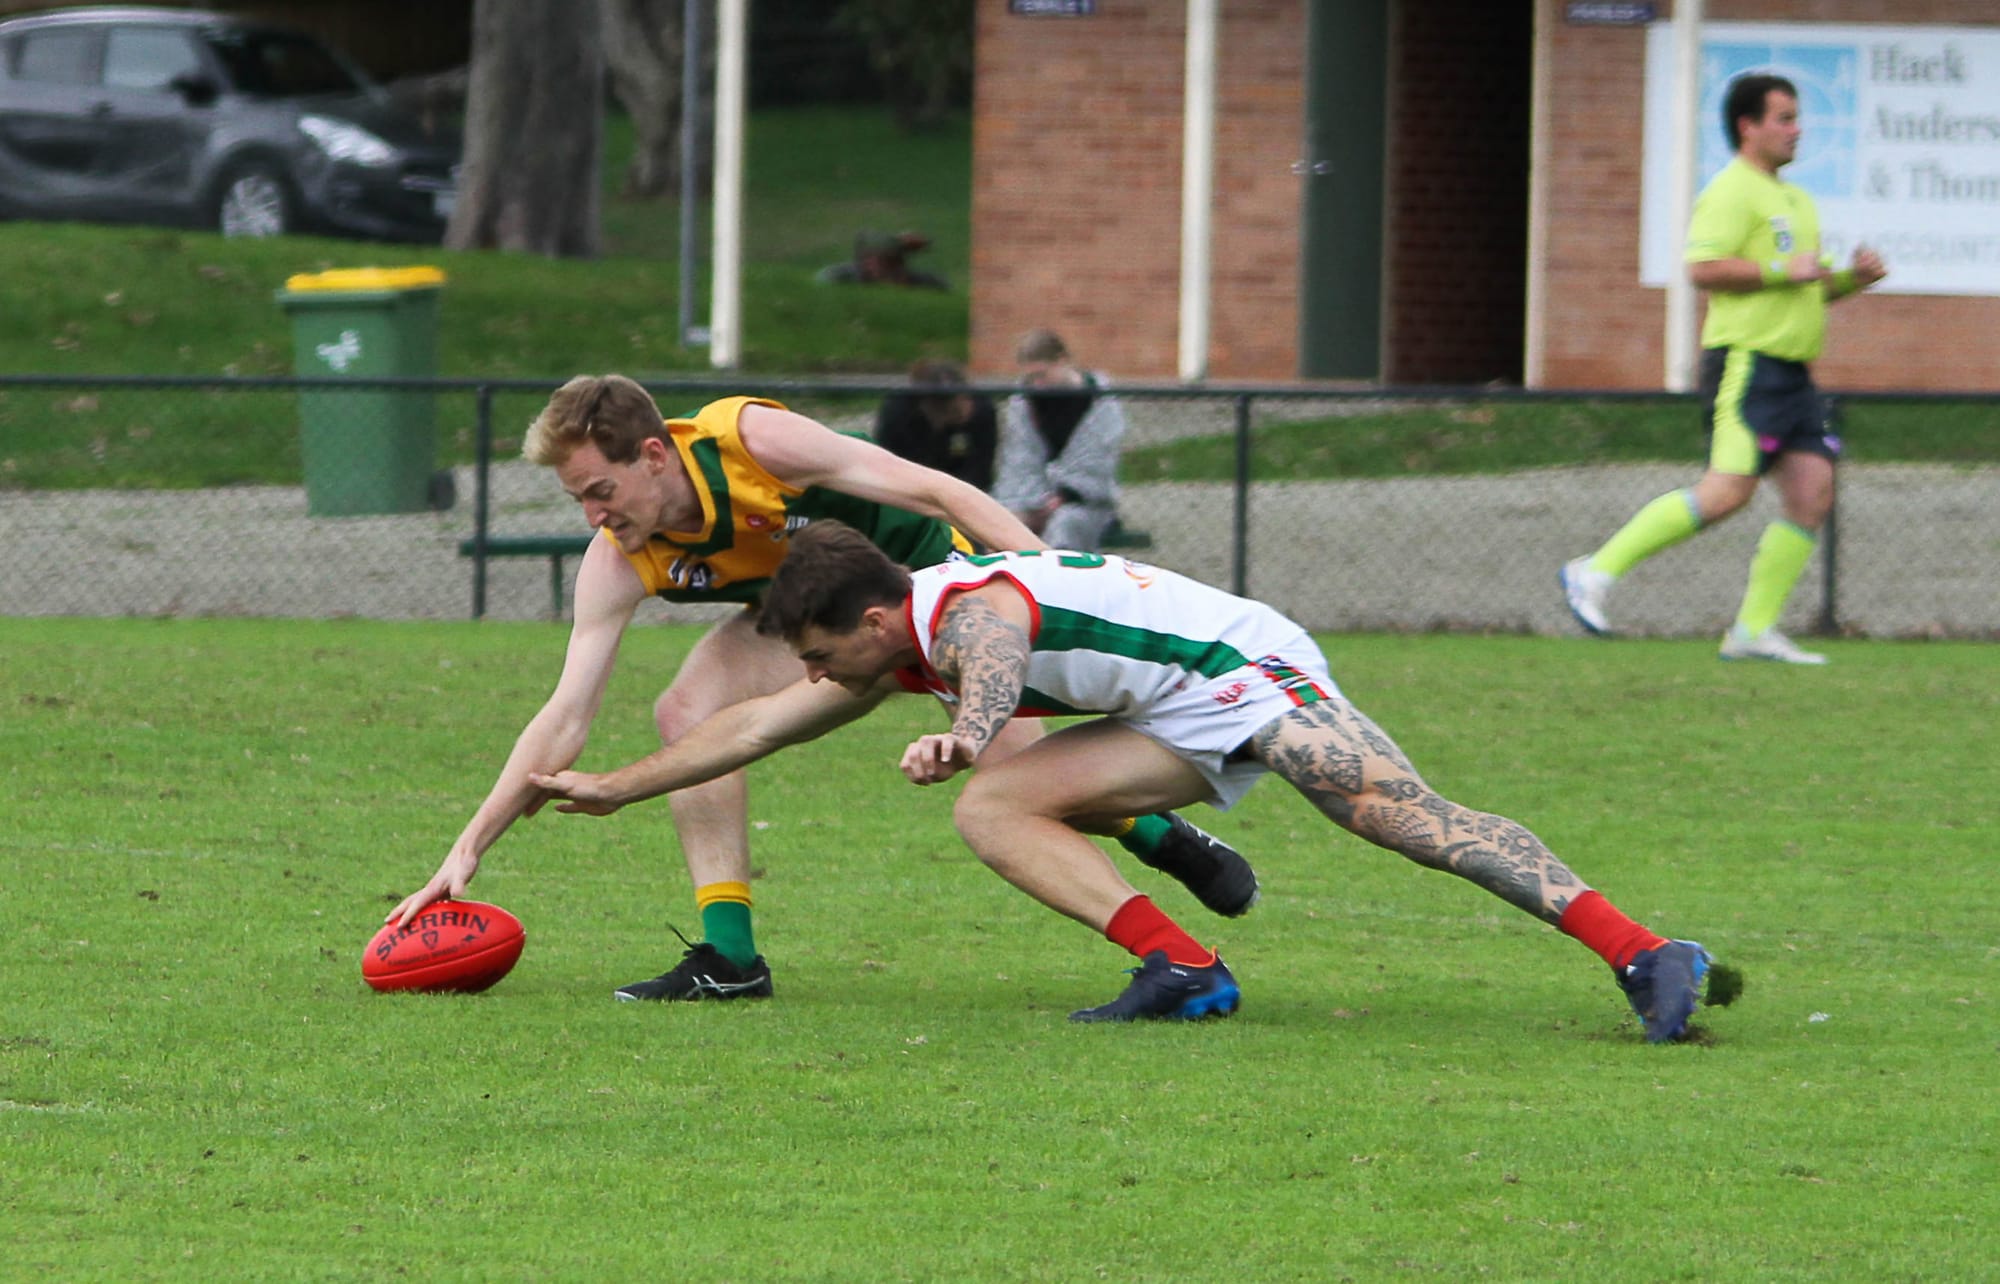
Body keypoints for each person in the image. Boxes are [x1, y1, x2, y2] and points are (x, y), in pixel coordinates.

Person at [530, 521, 1739, 1042]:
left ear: (865, 615)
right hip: (1166, 710)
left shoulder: (963, 605)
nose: (812, 673)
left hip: (1248, 670)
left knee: (1400, 819)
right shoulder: (884, 651)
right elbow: (742, 732)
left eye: (817, 651)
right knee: (994, 804)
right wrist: (612, 788)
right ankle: (1184, 968)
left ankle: (1645, 952)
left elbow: (996, 655)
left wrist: (968, 727)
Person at [388, 377, 1257, 1002]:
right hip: (814, 623)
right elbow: (564, 714)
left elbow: (932, 485)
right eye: (577, 498)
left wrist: (1037, 580)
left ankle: (1152, 831)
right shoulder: (621, 555)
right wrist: (466, 851)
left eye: (602, 490)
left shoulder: (752, 444)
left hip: (937, 585)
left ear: (655, 455)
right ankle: (731, 958)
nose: (594, 515)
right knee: (687, 713)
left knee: (1013, 781)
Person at [1561, 73, 1888, 664]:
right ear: (1748, 126)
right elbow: (1702, 268)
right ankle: (1594, 571)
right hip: (1748, 366)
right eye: (1784, 118)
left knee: (1812, 492)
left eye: (1796, 117)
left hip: (1794, 376)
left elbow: (1804, 291)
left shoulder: (1796, 200)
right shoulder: (1732, 191)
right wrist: (1780, 273)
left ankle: (1751, 631)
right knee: (1726, 492)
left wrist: (1850, 281)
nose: (1797, 129)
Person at [994, 328, 1127, 552]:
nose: (1037, 385)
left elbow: (1097, 461)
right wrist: (1033, 500)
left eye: (1042, 375)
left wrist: (1064, 495)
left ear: (1062, 361)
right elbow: (1020, 459)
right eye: (1031, 377)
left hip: (1085, 504)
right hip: (1033, 498)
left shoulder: (1100, 403)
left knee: (1065, 525)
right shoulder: (1025, 403)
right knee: (1001, 524)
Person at [871, 358, 997, 492]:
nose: (967, 407)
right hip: (910, 490)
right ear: (928, 405)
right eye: (955, 409)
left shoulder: (982, 410)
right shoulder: (898, 412)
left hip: (961, 491)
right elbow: (888, 466)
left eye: (966, 397)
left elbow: (980, 470)